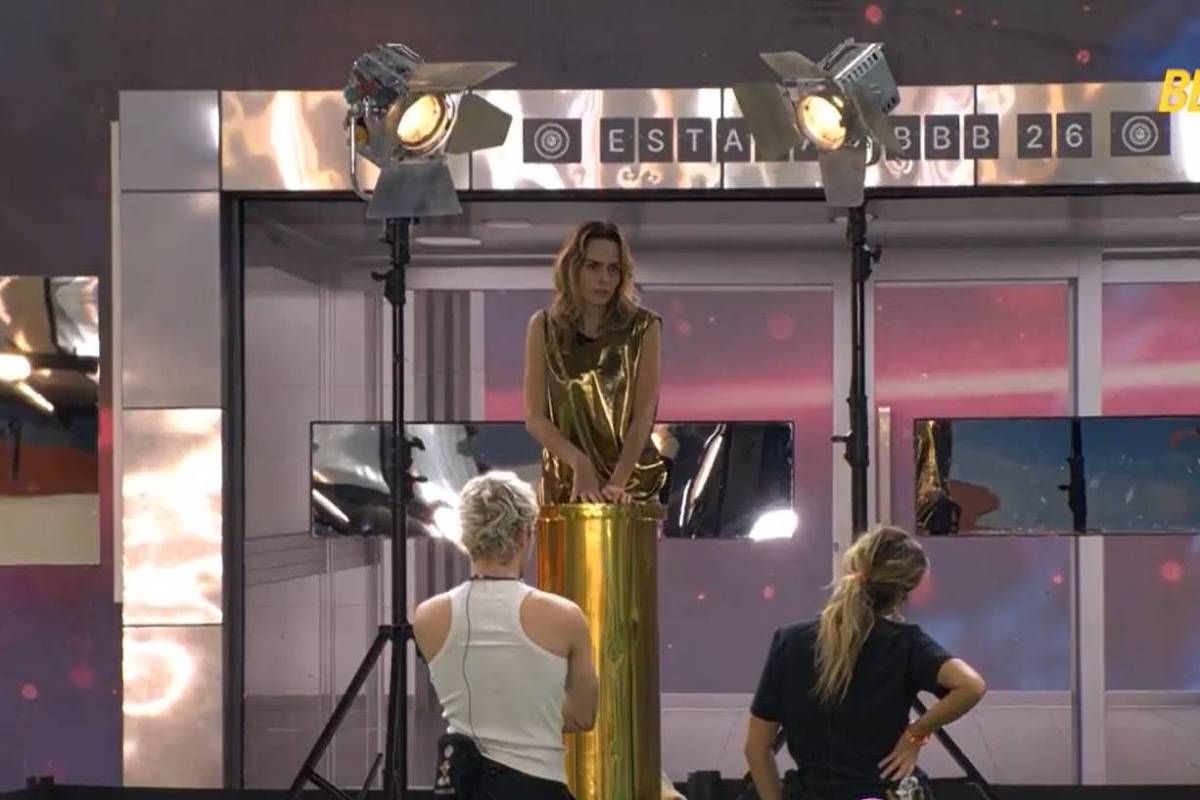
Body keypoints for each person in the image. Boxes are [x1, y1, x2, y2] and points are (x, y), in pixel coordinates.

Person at [744, 526, 987, 800]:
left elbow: (756, 749)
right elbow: (972, 686)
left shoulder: (790, 641)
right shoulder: (906, 644)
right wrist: (916, 734)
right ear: (904, 591)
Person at [413, 472, 599, 799]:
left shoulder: (428, 617)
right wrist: (533, 713)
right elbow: (583, 716)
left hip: (457, 786)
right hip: (535, 788)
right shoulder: (564, 616)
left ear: (465, 535)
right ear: (522, 535)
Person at [523, 220, 666, 505]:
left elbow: (644, 416)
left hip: (631, 486)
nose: (604, 278)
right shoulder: (544, 327)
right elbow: (535, 418)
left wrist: (617, 485)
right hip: (567, 487)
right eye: (593, 267)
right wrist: (580, 463)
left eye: (614, 269)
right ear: (573, 268)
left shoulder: (644, 327)